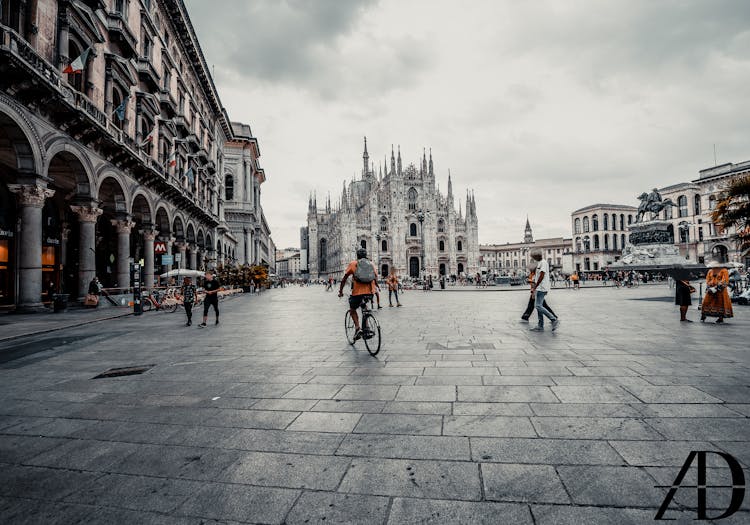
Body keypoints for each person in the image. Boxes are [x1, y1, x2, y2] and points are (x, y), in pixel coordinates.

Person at [338, 248, 378, 340]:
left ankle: (357, 328)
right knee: (364, 306)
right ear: (366, 255)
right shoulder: (371, 264)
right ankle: (367, 327)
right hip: (370, 292)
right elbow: (375, 277)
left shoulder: (353, 264)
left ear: (357, 256)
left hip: (357, 293)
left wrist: (340, 291)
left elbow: (344, 279)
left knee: (352, 309)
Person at [529, 250, 559, 332]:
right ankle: (540, 325)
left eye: (534, 257)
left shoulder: (543, 263)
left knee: (538, 306)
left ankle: (553, 319)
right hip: (540, 287)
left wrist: (535, 287)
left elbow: (541, 275)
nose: (534, 258)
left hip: (542, 287)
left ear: (538, 256)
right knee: (539, 306)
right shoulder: (539, 263)